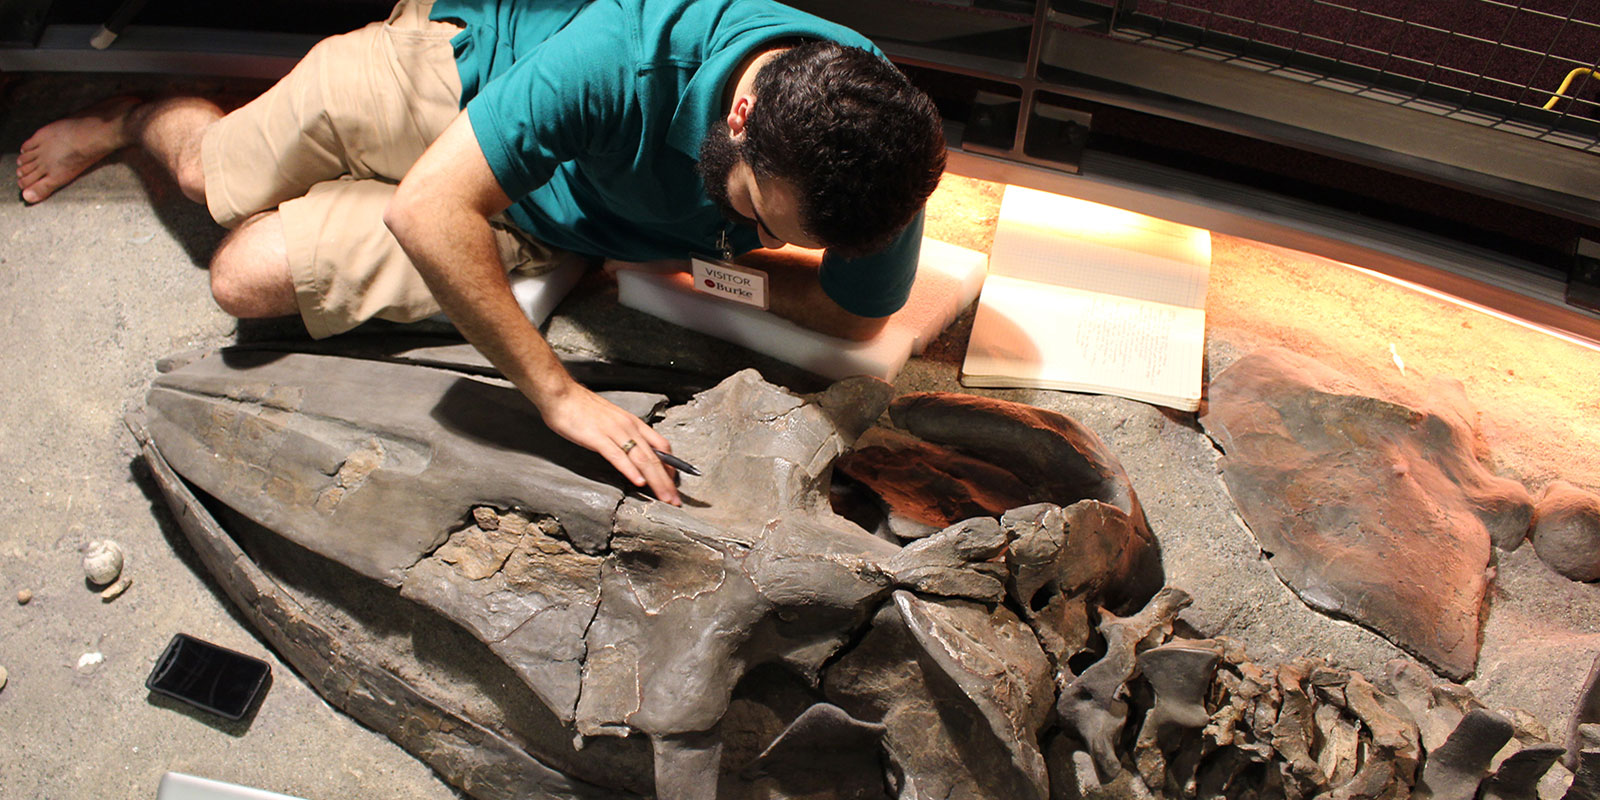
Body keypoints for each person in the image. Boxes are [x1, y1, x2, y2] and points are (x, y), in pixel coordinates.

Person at [14, 0, 947, 506]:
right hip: (459, 82)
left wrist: (687, 273)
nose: (770, 240)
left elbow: (855, 309)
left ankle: (396, 210)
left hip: (539, 222)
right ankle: (135, 112)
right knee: (210, 176)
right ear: (741, 116)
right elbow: (428, 210)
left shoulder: (875, 150)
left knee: (240, 275)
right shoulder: (629, 48)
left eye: (790, 237)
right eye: (754, 208)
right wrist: (556, 393)